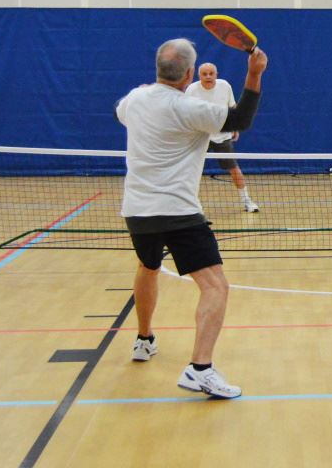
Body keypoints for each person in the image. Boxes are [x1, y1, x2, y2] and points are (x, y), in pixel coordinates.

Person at [115, 38, 268, 399]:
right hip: (178, 211)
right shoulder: (191, 107)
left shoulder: (133, 101)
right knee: (216, 286)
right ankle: (200, 369)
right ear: (188, 74)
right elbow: (241, 119)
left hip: (137, 210)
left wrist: (141, 92)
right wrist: (255, 73)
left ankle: (143, 339)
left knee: (148, 266)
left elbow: (118, 110)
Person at [186, 62, 260, 213]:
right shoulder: (192, 90)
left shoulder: (224, 86)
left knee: (233, 168)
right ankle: (191, 205)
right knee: (190, 170)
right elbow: (185, 113)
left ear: (216, 75)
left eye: (211, 73)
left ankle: (246, 201)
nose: (208, 76)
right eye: (204, 74)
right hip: (199, 136)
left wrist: (235, 127)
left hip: (222, 135)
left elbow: (232, 107)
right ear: (198, 76)